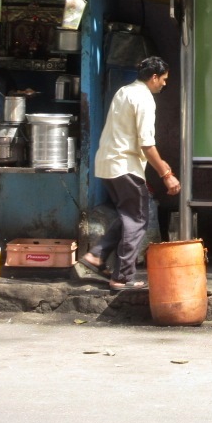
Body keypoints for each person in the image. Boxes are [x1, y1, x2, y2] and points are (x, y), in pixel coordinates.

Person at [77, 56, 180, 290]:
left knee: (129, 216)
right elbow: (146, 143)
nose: (164, 84)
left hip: (108, 164)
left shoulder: (124, 91)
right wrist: (166, 173)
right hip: (125, 165)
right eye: (163, 79)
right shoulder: (144, 98)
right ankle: (122, 277)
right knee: (137, 219)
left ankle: (96, 256)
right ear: (154, 77)